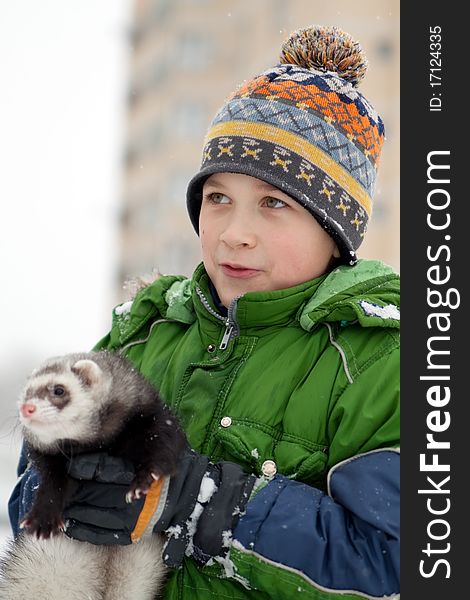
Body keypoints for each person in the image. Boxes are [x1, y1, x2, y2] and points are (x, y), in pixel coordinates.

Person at [8, 25, 399, 599]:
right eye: (217, 198)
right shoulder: (145, 330)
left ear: (333, 229)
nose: (234, 234)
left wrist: (206, 502)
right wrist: (68, 487)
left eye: (273, 204)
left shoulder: (385, 363)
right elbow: (28, 502)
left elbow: (396, 563)